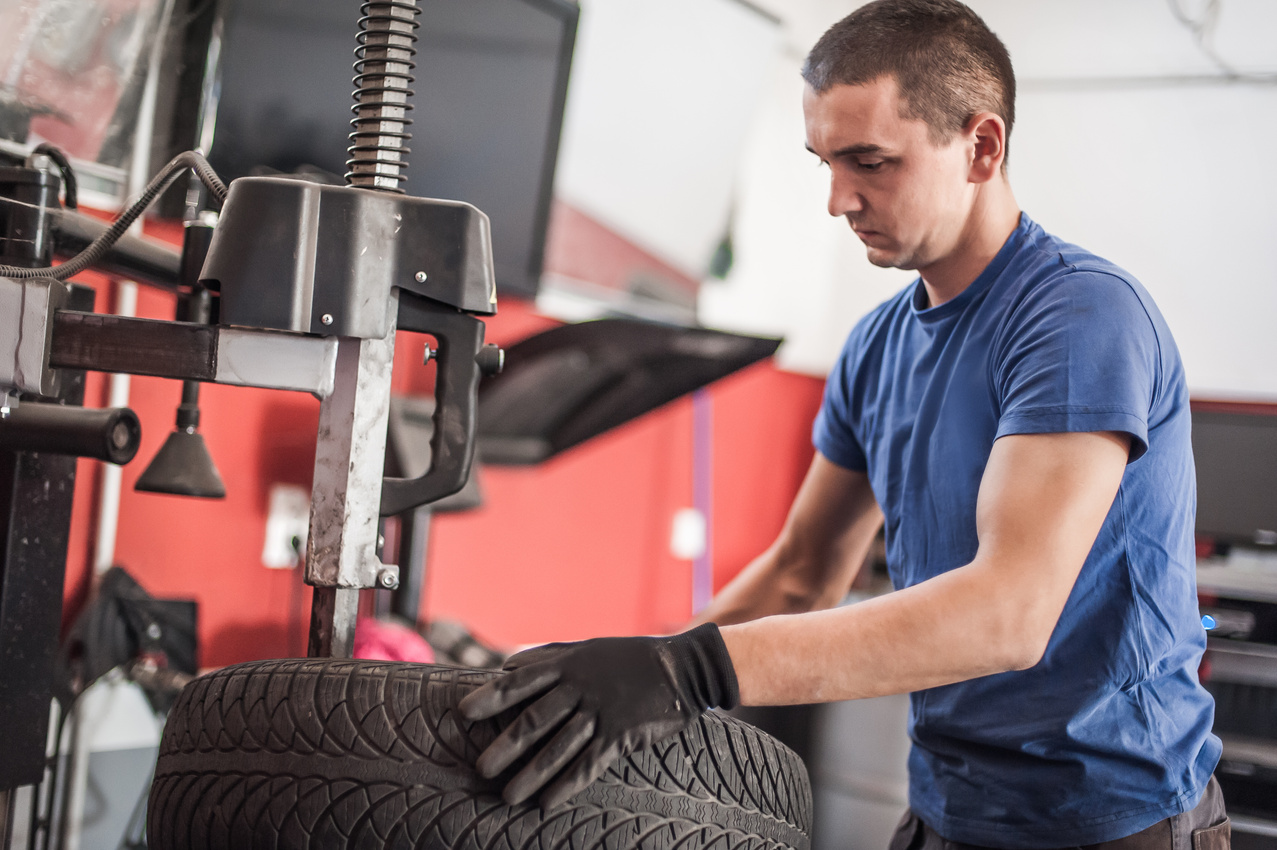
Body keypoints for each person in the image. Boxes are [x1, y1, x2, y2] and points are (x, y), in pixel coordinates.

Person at [460, 2, 1227, 848]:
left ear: (981, 146)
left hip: (1110, 819)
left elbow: (1006, 614)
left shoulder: (1078, 317)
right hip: (948, 808)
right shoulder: (876, 346)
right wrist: (624, 677)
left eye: (870, 162)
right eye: (824, 162)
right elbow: (799, 572)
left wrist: (688, 671)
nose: (837, 199)